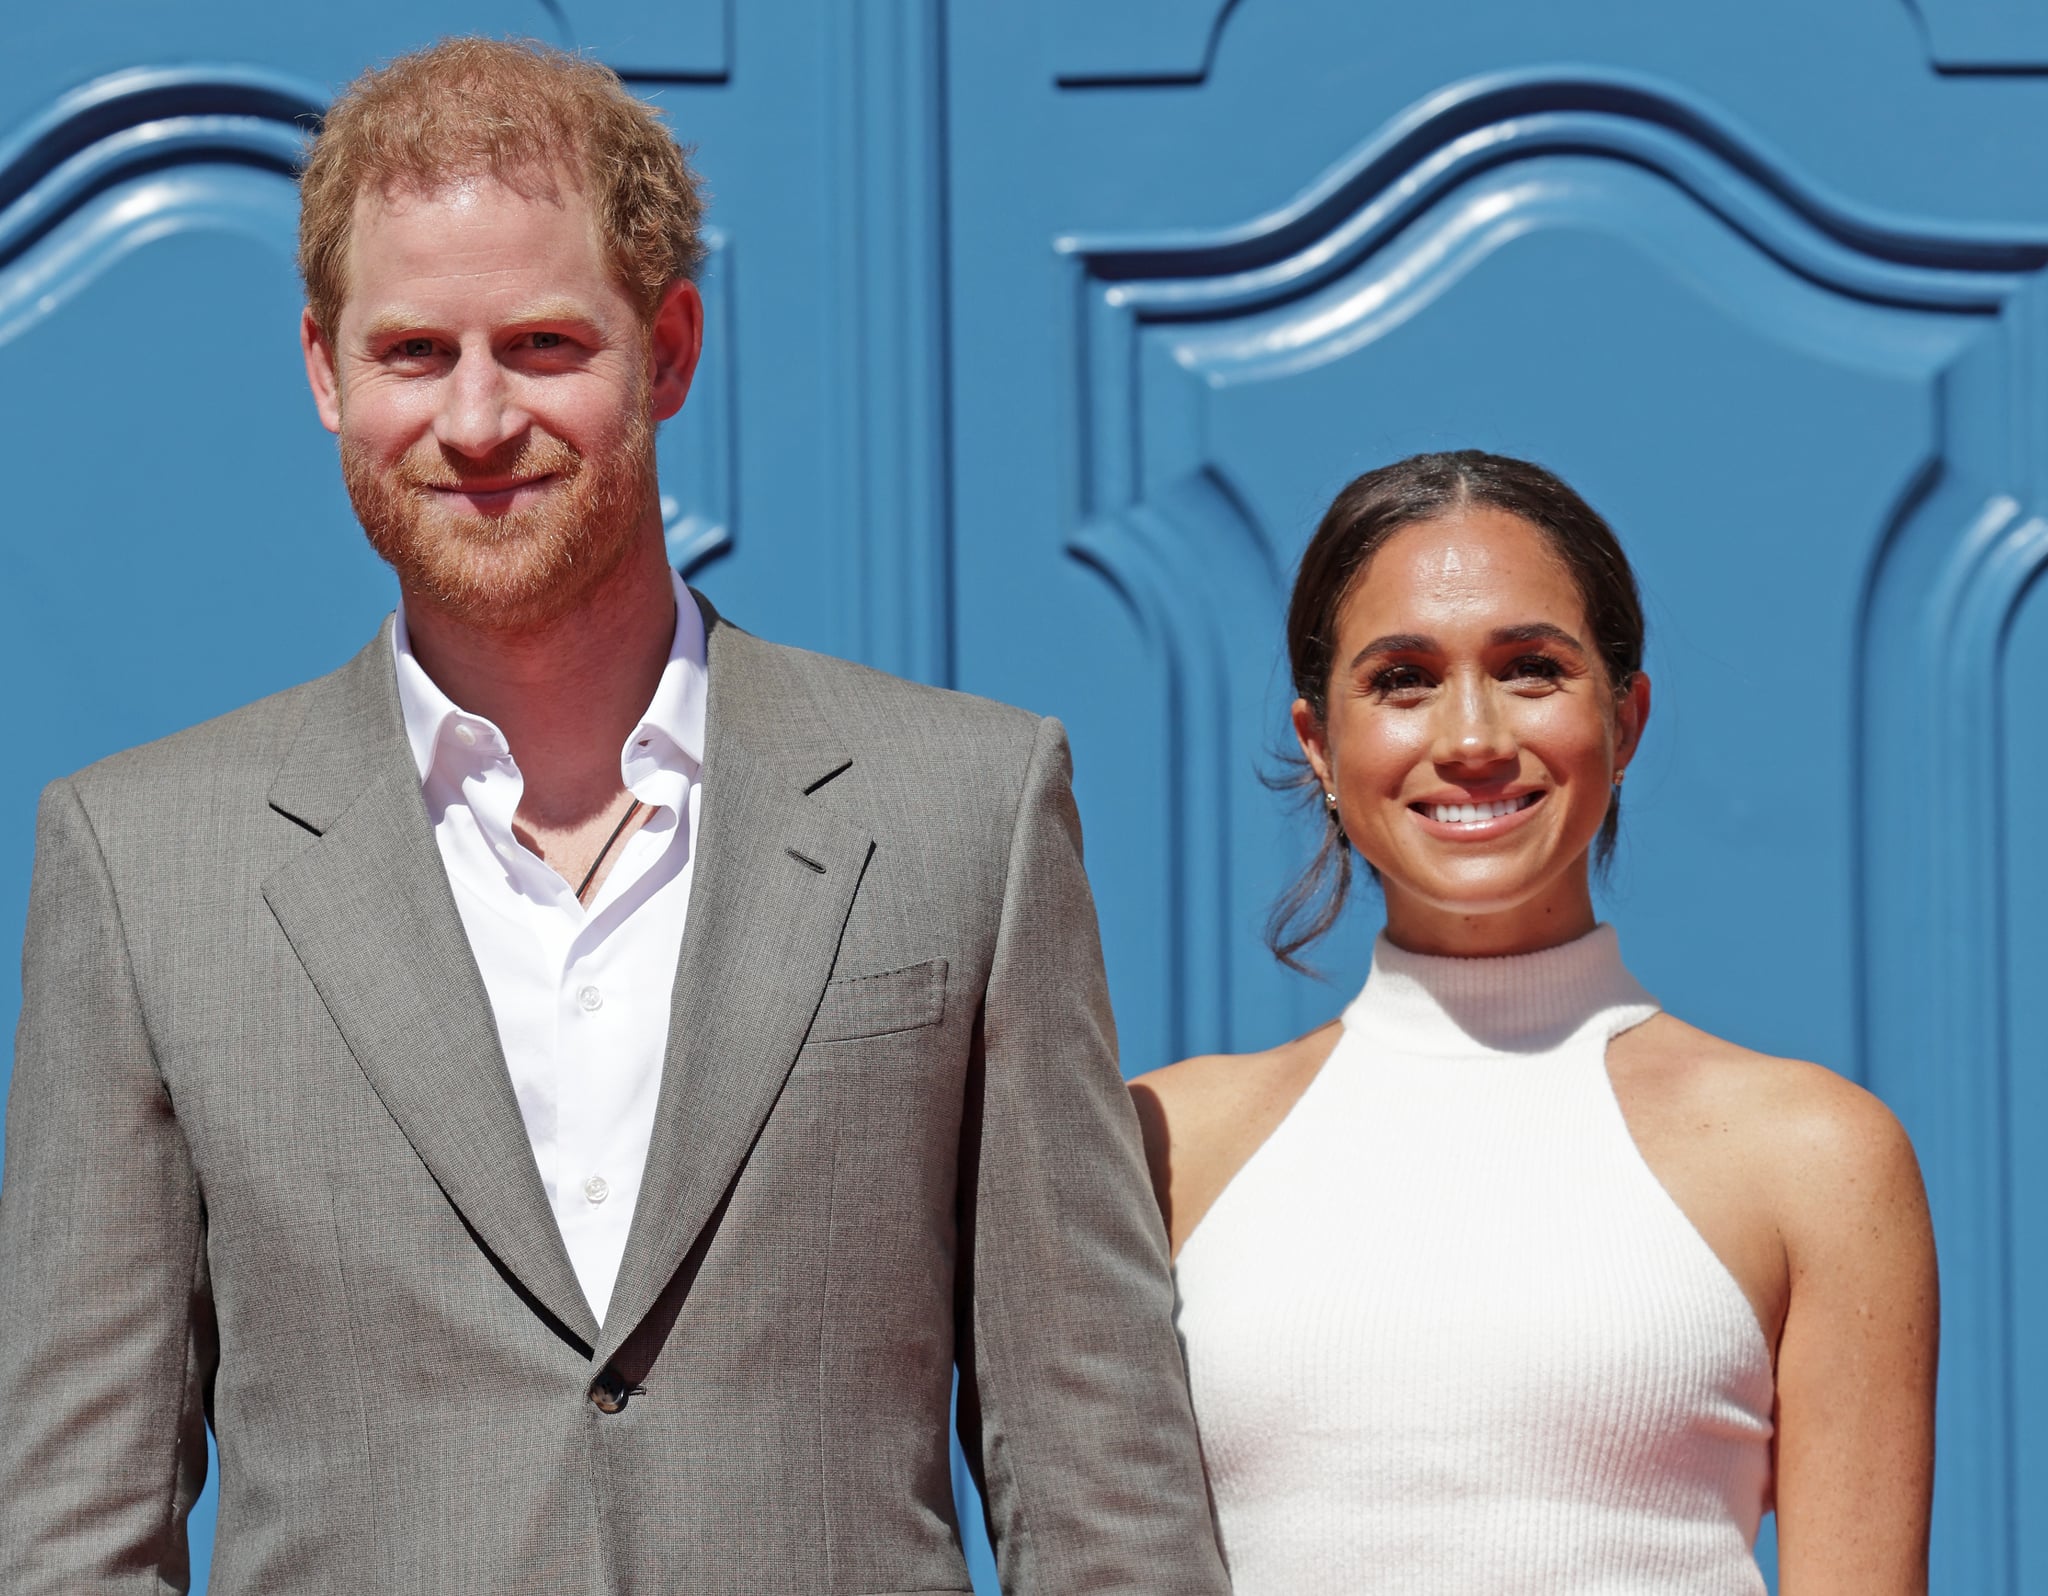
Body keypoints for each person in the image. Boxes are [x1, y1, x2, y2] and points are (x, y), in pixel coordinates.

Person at [0, 39, 1228, 1596]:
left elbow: (1097, 1473)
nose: (478, 418)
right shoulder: (143, 864)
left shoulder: (962, 813)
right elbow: (70, 1529)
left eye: (543, 342)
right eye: (413, 355)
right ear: (324, 370)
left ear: (671, 347)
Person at [1133, 451, 1937, 1593]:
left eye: (1529, 669)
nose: (1469, 736)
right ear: (1319, 743)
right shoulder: (1162, 1142)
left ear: (1626, 716)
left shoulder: (1815, 1155)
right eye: (1402, 679)